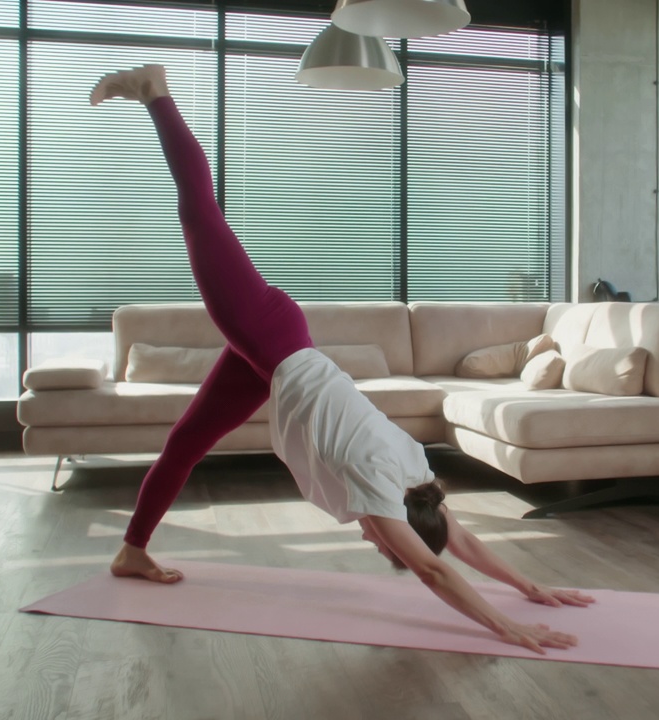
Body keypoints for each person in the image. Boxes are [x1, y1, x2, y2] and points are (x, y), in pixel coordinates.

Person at [91, 65, 595, 654]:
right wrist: (508, 627)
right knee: (200, 217)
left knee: (186, 442)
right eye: (386, 548)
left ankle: (132, 549)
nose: (376, 546)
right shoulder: (381, 493)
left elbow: (459, 542)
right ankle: (157, 92)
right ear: (395, 528)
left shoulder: (416, 477)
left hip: (273, 356)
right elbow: (437, 570)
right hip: (270, 339)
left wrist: (531, 586)